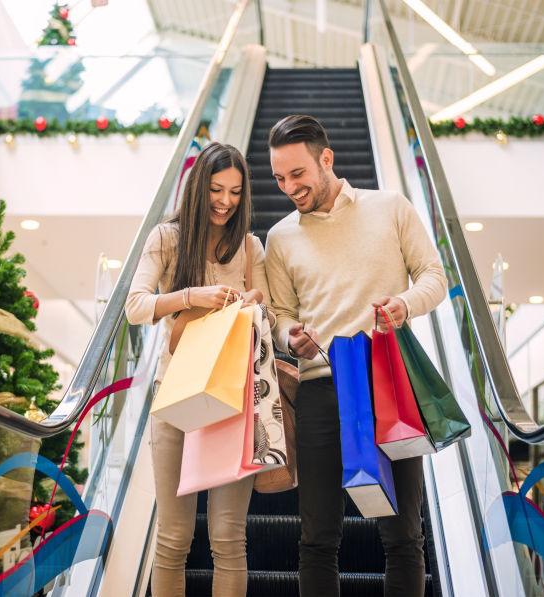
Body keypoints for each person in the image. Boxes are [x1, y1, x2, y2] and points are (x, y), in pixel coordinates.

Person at [263, 114, 447, 597]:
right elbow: (279, 313)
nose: (288, 188)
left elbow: (433, 275)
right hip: (321, 389)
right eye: (279, 178)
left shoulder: (390, 207)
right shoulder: (280, 237)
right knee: (317, 538)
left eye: (297, 174)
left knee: (403, 534)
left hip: (388, 381)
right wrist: (289, 336)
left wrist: (404, 304)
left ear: (326, 158)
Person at [125, 141, 271, 596]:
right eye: (215, 190)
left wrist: (250, 302)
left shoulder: (249, 246)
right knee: (172, 538)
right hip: (175, 397)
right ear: (196, 189)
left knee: (229, 538)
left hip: (232, 400)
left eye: (234, 192)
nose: (225, 201)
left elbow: (266, 304)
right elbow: (135, 307)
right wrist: (192, 296)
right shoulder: (166, 239)